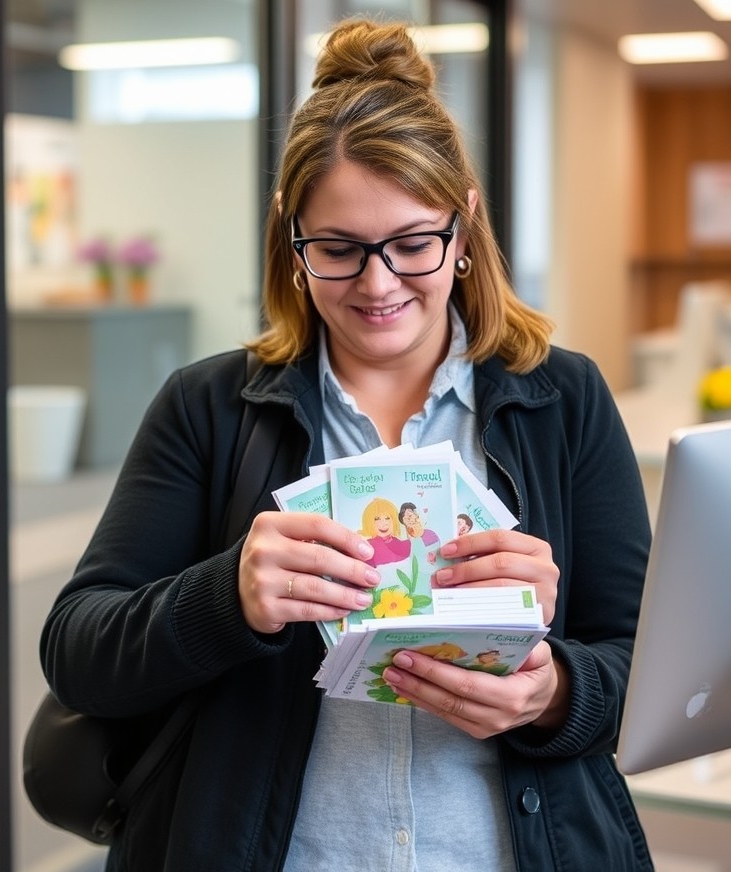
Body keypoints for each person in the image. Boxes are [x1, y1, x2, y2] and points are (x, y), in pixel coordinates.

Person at [40, 17, 654, 871]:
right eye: (338, 249)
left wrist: (553, 692)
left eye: (412, 245)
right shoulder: (212, 407)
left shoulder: (564, 399)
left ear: (465, 229)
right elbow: (79, 652)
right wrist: (229, 598)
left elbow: (641, 672)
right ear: (293, 241)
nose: (377, 285)